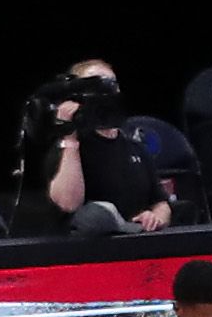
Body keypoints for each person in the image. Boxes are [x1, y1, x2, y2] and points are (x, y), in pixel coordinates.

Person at [17, 57, 171, 235]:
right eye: (97, 87)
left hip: (136, 245)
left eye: (111, 85)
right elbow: (68, 204)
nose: (106, 94)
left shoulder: (136, 148)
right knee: (97, 216)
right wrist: (70, 137)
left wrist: (155, 217)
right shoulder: (66, 149)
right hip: (88, 250)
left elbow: (161, 202)